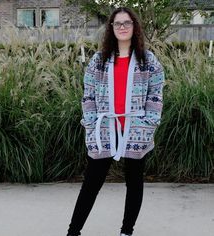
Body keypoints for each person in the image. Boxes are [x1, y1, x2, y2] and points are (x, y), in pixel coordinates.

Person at [66, 6, 165, 236]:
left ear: (134, 27)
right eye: (117, 23)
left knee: (134, 183)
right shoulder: (98, 61)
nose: (122, 27)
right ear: (111, 28)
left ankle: (126, 231)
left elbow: (156, 93)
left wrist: (149, 122)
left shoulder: (147, 61)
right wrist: (90, 123)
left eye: (127, 23)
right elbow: (88, 94)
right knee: (91, 182)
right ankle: (73, 231)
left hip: (136, 129)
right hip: (104, 129)